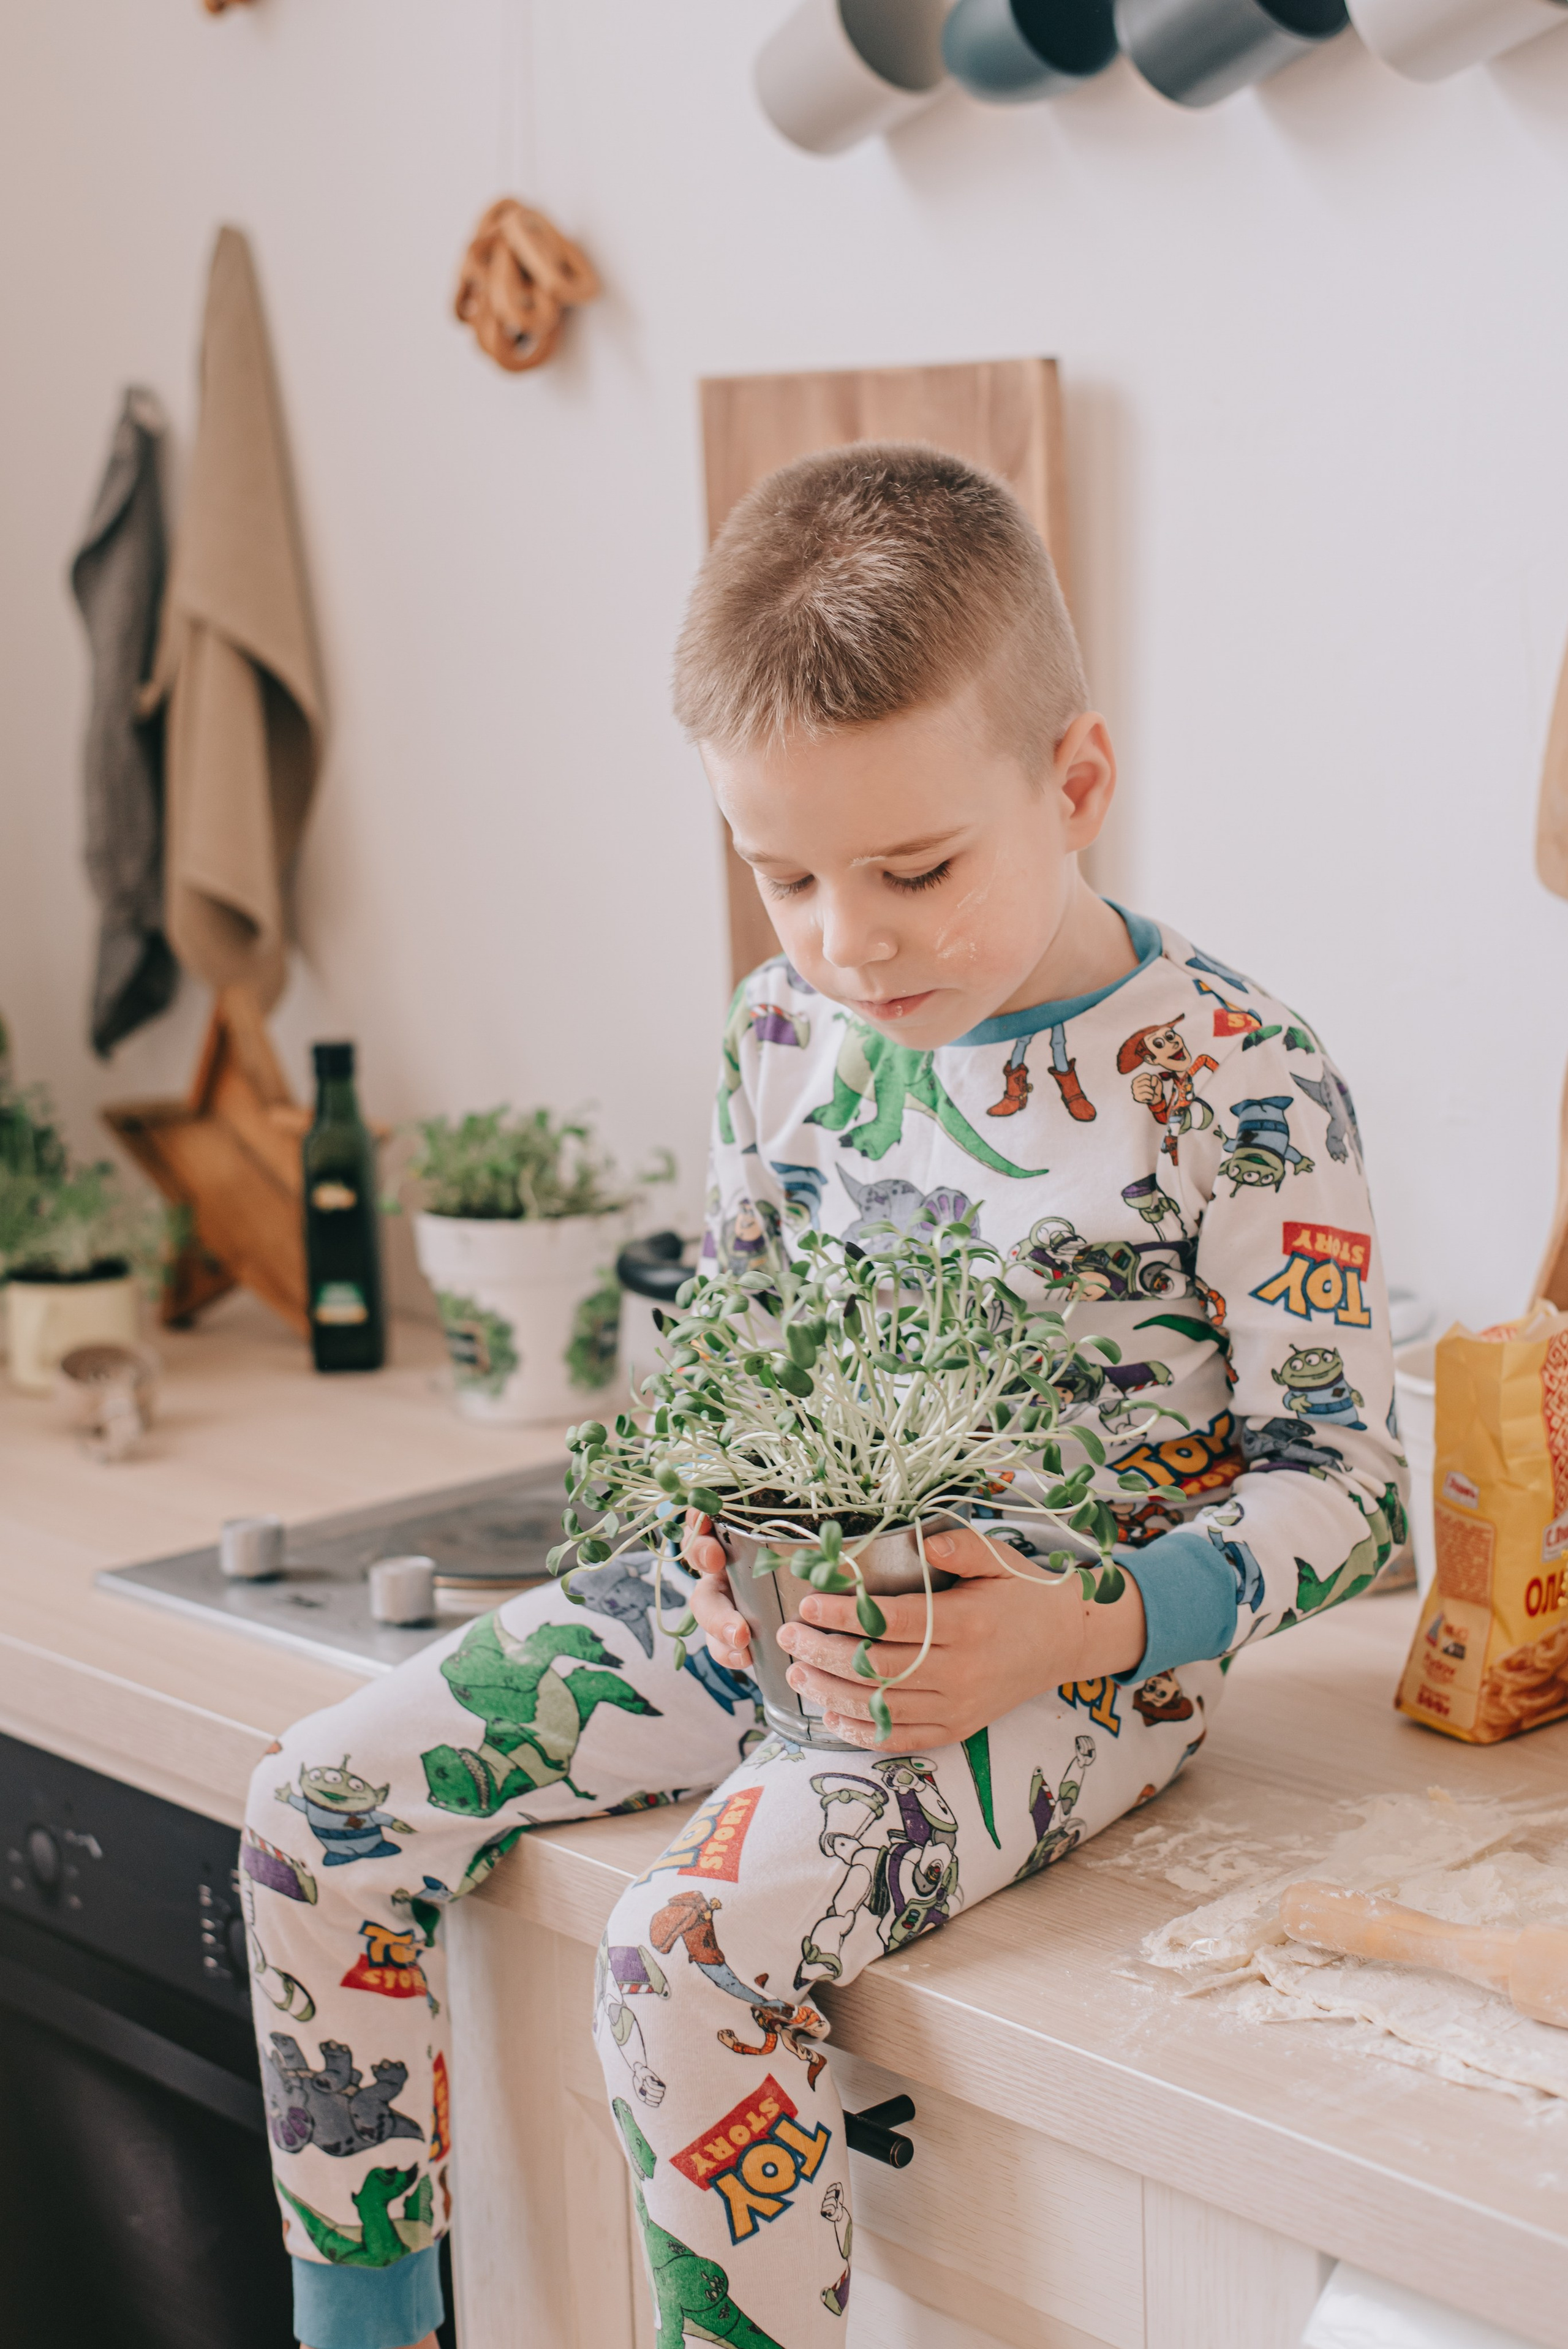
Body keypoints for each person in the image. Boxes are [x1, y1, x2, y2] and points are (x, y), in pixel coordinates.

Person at [249, 446, 1403, 2349]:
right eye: (781, 873)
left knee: (681, 1952)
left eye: (916, 869)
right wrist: (703, 1553)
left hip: (1056, 1664)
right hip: (773, 1618)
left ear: (1078, 781)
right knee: (312, 1809)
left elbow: (1352, 1486)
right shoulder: (781, 1032)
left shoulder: (1235, 1076)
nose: (846, 941)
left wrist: (1081, 1617)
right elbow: (724, 1371)